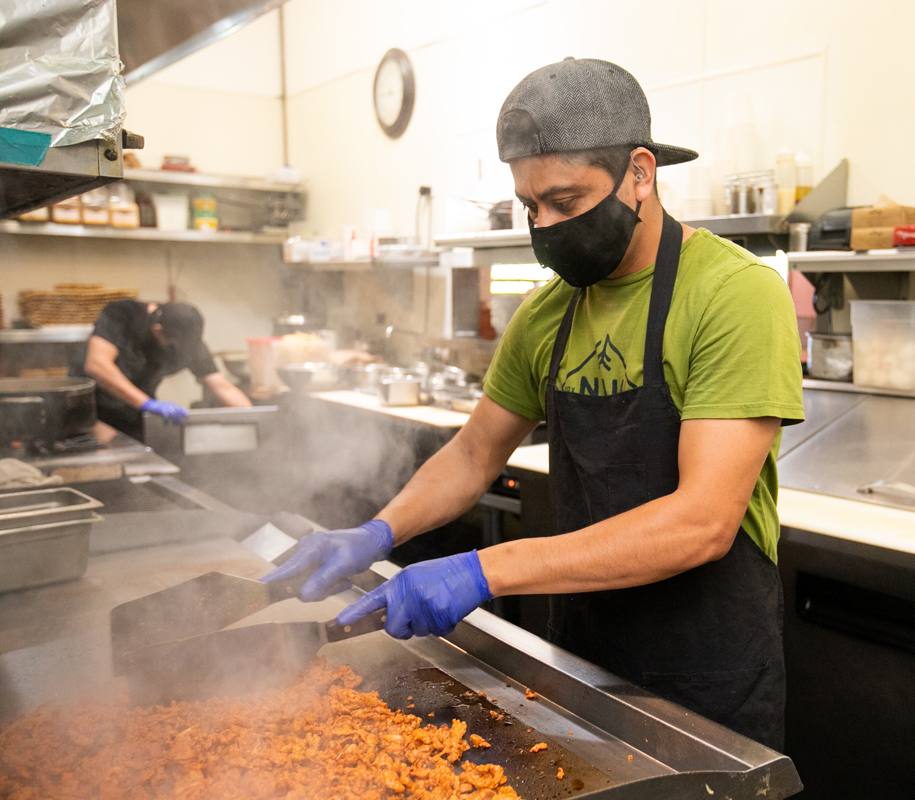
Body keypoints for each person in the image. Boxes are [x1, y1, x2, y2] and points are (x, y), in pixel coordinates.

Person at [266, 58, 805, 748]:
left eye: (567, 202)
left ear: (640, 173)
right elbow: (473, 452)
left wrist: (484, 569)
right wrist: (379, 533)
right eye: (530, 207)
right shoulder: (549, 313)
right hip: (585, 654)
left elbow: (701, 522)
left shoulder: (734, 294)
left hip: (704, 672)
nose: (545, 226)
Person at [74, 300, 251, 440]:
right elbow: (97, 366)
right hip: (90, 411)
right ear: (157, 331)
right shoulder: (122, 315)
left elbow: (222, 387)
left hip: (135, 413)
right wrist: (148, 404)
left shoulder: (188, 341)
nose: (180, 351)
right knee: (109, 453)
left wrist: (256, 421)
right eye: (174, 346)